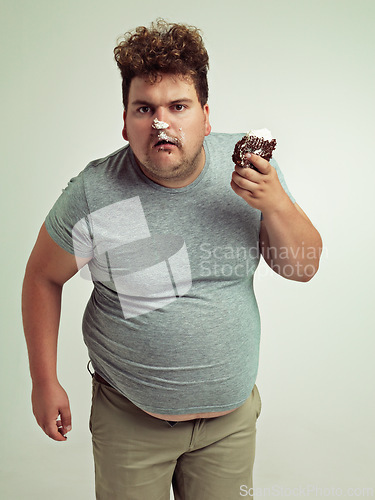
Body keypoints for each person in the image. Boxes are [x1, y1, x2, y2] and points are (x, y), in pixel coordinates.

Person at [22, 18, 322, 500]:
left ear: (205, 116)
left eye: (178, 106)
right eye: (145, 108)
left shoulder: (250, 174)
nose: (161, 122)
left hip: (230, 424)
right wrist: (43, 381)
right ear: (124, 120)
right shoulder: (95, 193)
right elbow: (41, 277)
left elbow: (302, 268)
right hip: (131, 421)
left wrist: (277, 204)